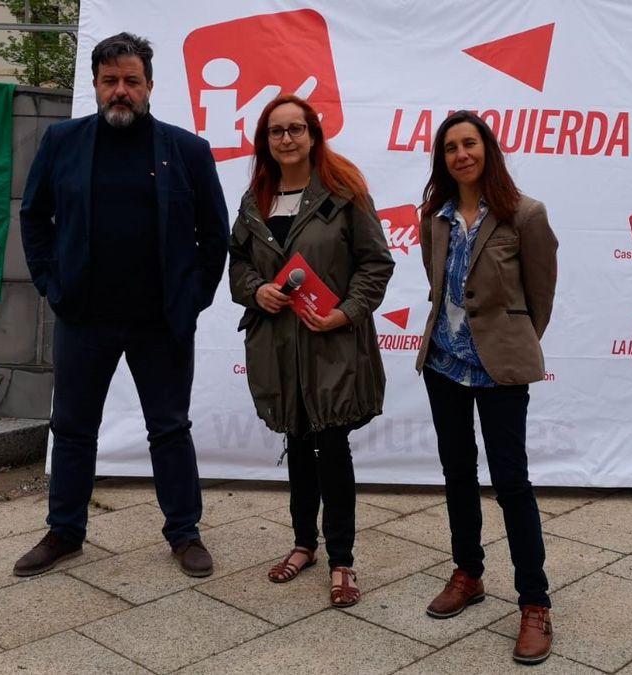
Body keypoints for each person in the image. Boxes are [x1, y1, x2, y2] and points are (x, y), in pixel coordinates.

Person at [17, 32, 229, 578]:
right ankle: (65, 530)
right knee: (72, 427)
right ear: (94, 85)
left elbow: (215, 234)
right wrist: (48, 282)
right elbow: (34, 216)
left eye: (131, 81)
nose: (120, 91)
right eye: (110, 81)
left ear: (149, 86)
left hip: (160, 321)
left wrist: (193, 300)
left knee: (169, 428)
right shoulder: (62, 141)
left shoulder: (187, 150)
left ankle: (184, 533)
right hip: (84, 316)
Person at [228, 94, 394, 608]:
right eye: (276, 132)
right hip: (278, 347)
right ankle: (304, 544)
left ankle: (342, 558)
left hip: (332, 344)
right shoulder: (255, 199)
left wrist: (345, 312)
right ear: (266, 141)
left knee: (332, 449)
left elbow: (376, 264)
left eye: (296, 129)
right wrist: (256, 289)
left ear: (313, 134)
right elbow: (237, 263)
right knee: (297, 446)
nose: (286, 139)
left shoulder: (344, 192)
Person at [415, 111, 559, 664]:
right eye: (450, 147)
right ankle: (468, 573)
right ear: (442, 158)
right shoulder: (436, 216)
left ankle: (534, 604)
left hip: (499, 371)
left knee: (512, 482)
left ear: (487, 149)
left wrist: (512, 344)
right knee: (456, 474)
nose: (460, 154)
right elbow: (438, 289)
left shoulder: (525, 214)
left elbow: (540, 295)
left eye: (469, 143)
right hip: (444, 366)